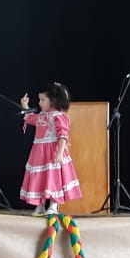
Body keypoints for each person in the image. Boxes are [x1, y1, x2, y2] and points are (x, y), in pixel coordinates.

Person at [18, 82, 81, 216]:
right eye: (39, 99)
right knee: (40, 178)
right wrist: (25, 106)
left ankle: (53, 205)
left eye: (42, 100)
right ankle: (40, 205)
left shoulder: (58, 116)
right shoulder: (42, 115)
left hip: (52, 152)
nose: (39, 103)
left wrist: (60, 153)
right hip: (39, 153)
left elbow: (63, 135)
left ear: (53, 101)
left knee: (53, 178)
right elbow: (30, 118)